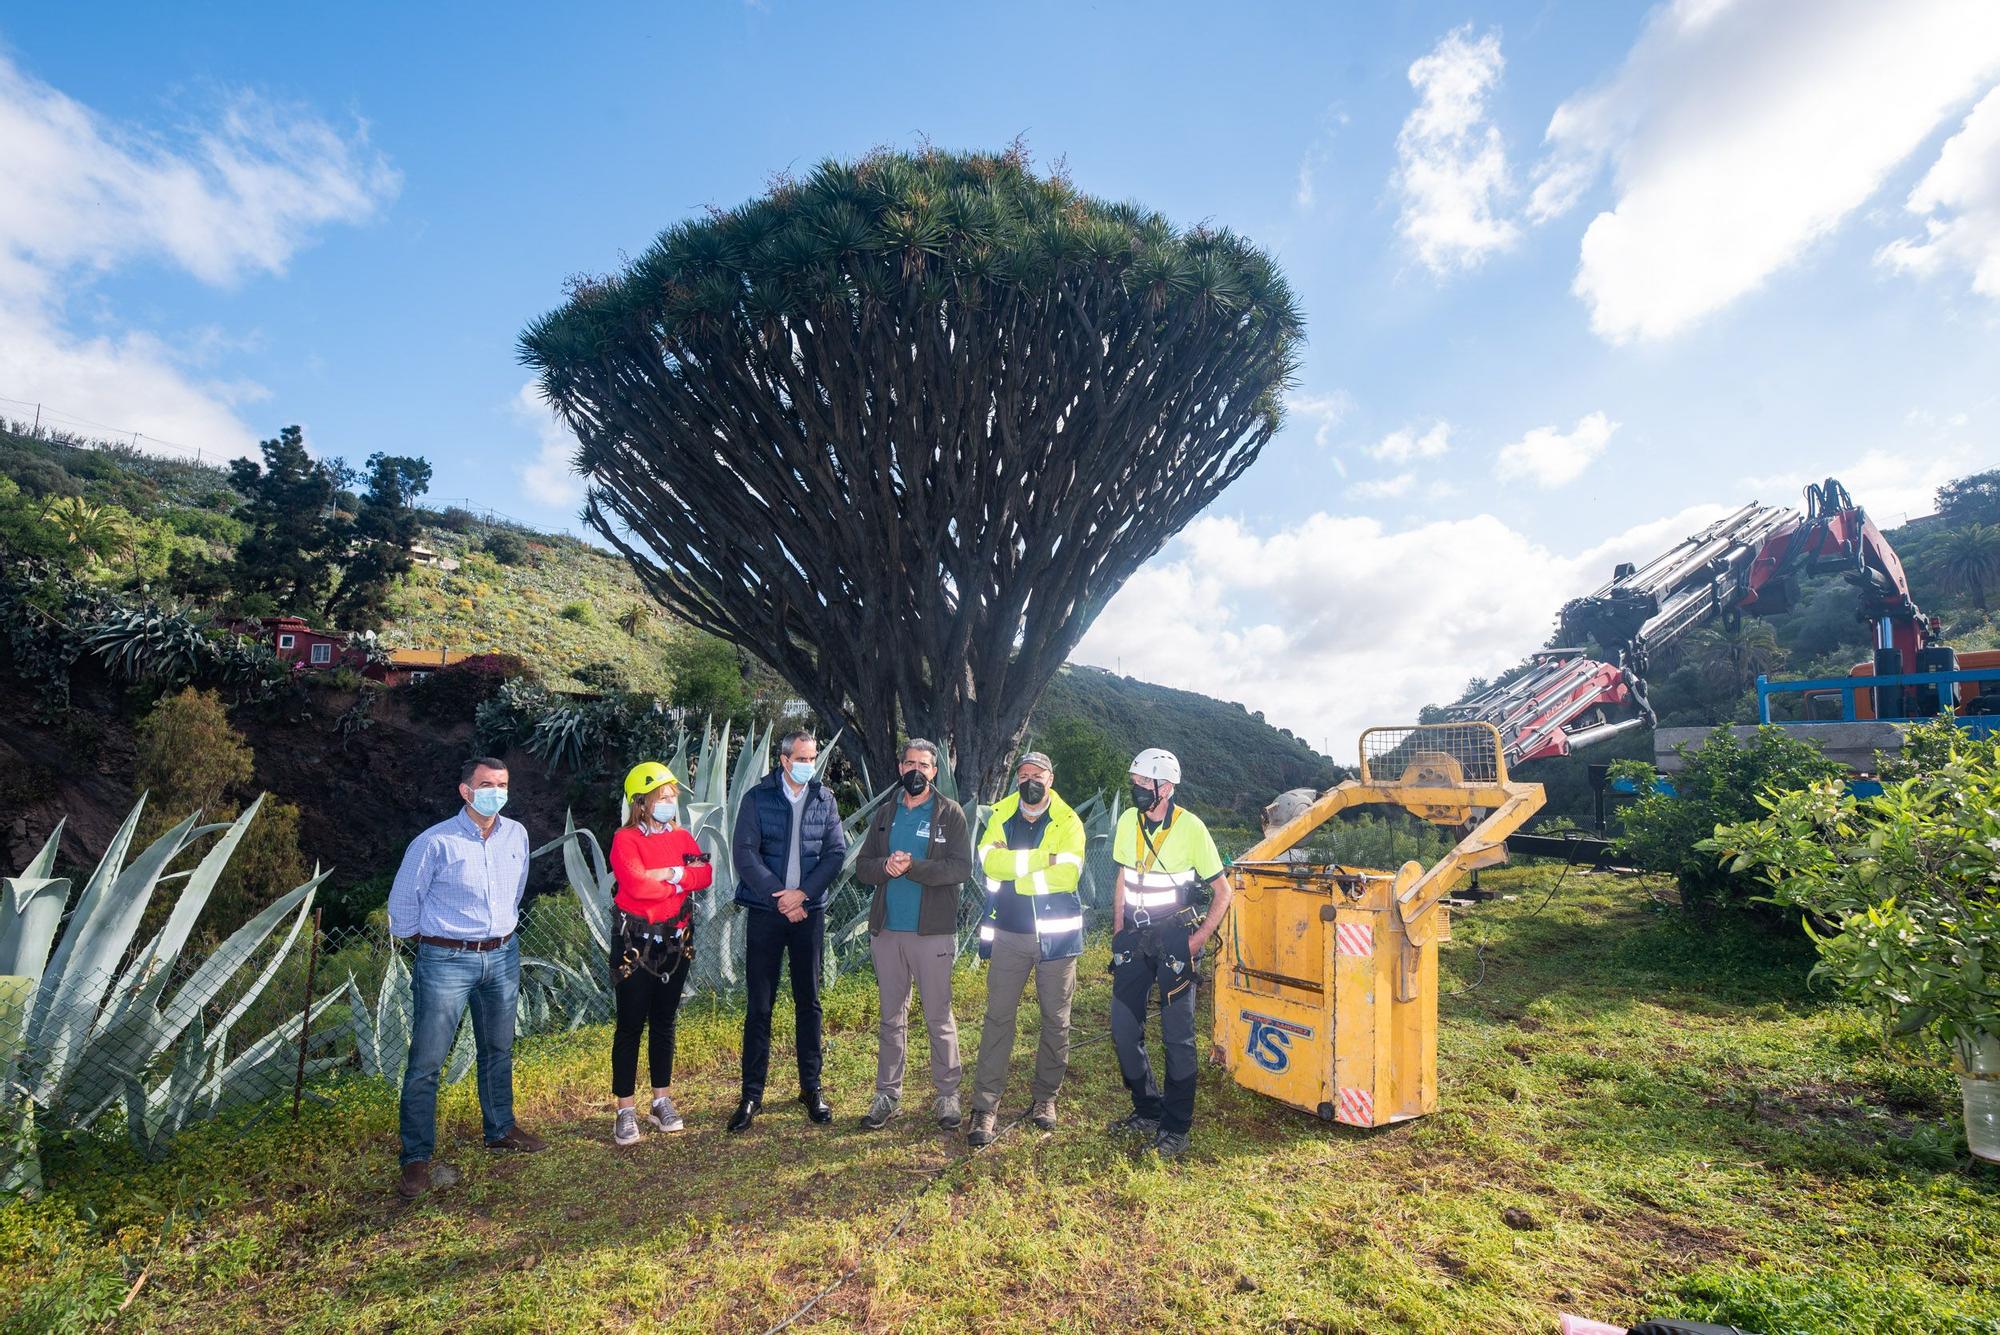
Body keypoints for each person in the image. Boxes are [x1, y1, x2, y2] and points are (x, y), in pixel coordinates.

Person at [387, 757, 547, 1201]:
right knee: (427, 1062)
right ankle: (416, 1158)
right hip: (446, 960)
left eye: (502, 784)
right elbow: (402, 908)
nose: (496, 791)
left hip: (502, 955)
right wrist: (439, 941)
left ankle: (500, 1130)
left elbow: (517, 891)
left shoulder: (516, 834)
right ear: (465, 790)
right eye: (486, 784)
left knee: (498, 1049)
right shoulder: (433, 843)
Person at [1107, 747, 1234, 1158]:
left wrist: (1196, 942)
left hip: (1176, 938)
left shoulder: (1191, 828)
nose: (1138, 789)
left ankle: (1176, 1128)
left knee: (1177, 1037)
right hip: (1135, 935)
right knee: (1124, 1028)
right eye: (1136, 782)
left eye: (1146, 783)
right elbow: (1123, 878)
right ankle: (1147, 1108)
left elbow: (1223, 892)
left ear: (1167, 787)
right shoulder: (1129, 821)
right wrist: (1118, 930)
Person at [964, 750, 1087, 1147]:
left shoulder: (1069, 821)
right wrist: (1040, 860)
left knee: (1056, 1020)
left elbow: (1068, 875)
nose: (1029, 779)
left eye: (1037, 773)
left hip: (1058, 940)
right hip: (1010, 936)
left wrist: (1018, 869)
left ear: (1050, 779)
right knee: (998, 1019)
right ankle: (985, 1107)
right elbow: (988, 865)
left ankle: (1045, 1099)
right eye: (1023, 773)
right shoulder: (1000, 815)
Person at [728, 730, 847, 1132]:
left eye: (813, 758)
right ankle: (751, 1094)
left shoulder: (824, 798)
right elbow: (744, 853)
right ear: (783, 760)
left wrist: (802, 896)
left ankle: (811, 1089)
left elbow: (835, 853)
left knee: (808, 1002)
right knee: (760, 1006)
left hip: (808, 913)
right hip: (766, 911)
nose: (808, 764)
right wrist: (780, 897)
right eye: (801, 757)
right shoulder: (757, 799)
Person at [852, 739, 974, 1131]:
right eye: (909, 763)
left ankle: (947, 1094)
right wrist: (885, 867)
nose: (916, 771)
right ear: (900, 767)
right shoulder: (886, 813)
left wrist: (913, 868)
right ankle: (887, 1094)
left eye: (924, 764)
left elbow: (960, 868)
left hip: (932, 934)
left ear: (935, 771)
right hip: (887, 931)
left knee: (939, 1017)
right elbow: (863, 867)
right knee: (892, 1018)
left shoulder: (949, 813)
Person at [606, 761, 713, 1145]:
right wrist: (679, 880)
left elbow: (705, 873)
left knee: (664, 1021)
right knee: (631, 1024)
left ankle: (661, 1101)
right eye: (662, 797)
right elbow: (635, 886)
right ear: (642, 802)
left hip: (675, 942)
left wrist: (669, 875)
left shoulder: (683, 837)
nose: (670, 802)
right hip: (635, 943)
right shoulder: (625, 839)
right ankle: (625, 1108)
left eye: (672, 796)